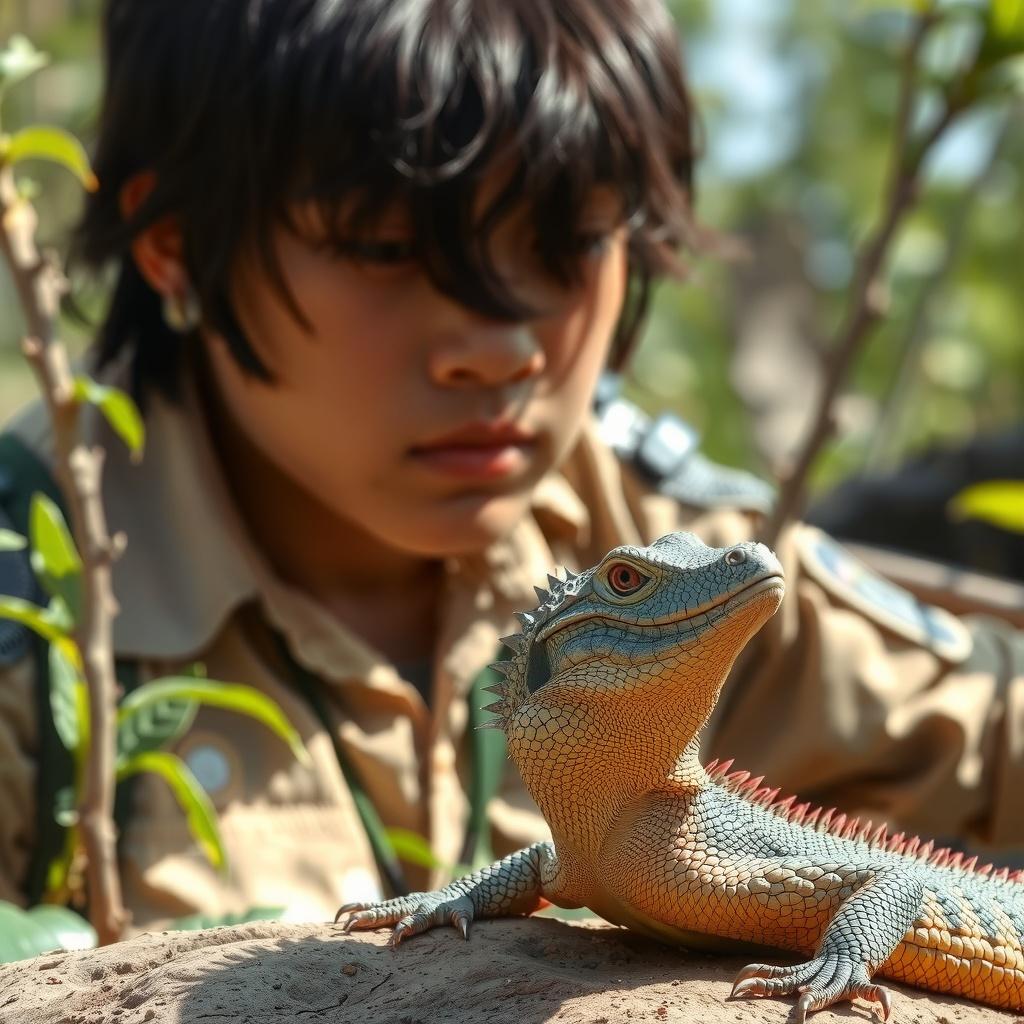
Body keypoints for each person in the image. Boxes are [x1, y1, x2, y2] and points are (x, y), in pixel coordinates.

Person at [0, 0, 1021, 932]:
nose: (499, 350)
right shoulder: (29, 602)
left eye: (569, 239)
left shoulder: (671, 550)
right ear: (176, 244)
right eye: (385, 246)